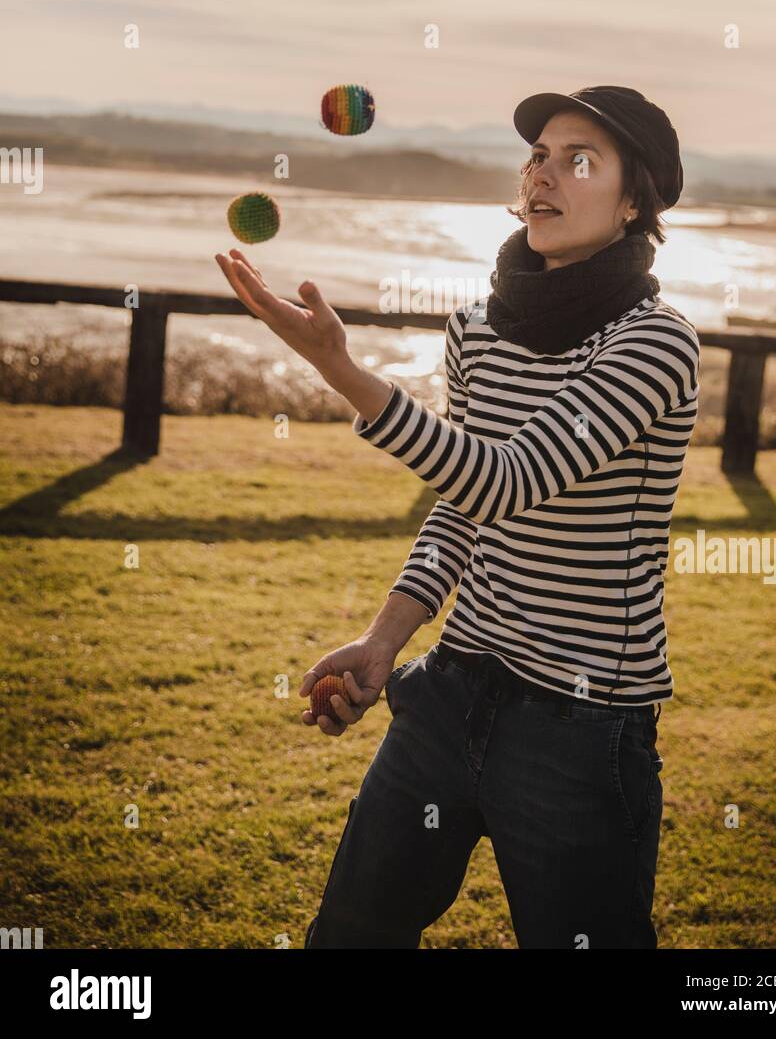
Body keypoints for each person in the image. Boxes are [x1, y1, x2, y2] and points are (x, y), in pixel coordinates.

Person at [215, 85, 701, 949]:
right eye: (538, 156)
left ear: (636, 202)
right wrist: (382, 641)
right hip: (448, 695)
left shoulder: (654, 342)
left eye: (578, 159)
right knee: (350, 936)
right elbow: (465, 510)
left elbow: (508, 480)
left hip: (581, 726)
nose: (543, 174)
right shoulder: (477, 328)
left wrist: (342, 369)